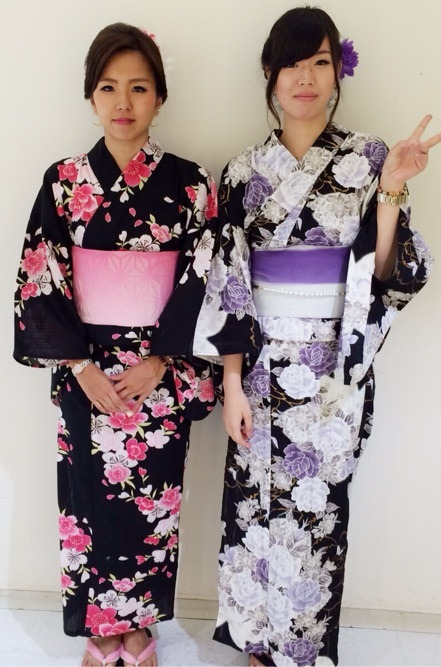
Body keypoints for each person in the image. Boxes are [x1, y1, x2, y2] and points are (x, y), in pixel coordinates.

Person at [194, 6, 441, 667]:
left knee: (317, 511)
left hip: (333, 365)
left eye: (320, 62)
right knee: (253, 508)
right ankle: (259, 643)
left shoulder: (369, 158)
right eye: (292, 63)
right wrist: (231, 383)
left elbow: (385, 269)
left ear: (339, 71)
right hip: (259, 366)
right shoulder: (241, 172)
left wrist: (390, 191)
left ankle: (303, 650)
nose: (306, 78)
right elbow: (228, 283)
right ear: (269, 72)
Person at [13, 23, 217, 667]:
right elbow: (41, 273)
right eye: (108, 87)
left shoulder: (189, 184)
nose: (123, 102)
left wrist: (162, 361)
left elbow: (207, 277)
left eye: (139, 87)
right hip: (87, 371)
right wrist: (78, 365)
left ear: (160, 97)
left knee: (153, 502)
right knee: (88, 501)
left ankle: (139, 627)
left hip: (160, 371)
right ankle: (101, 629)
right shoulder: (63, 181)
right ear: (90, 96)